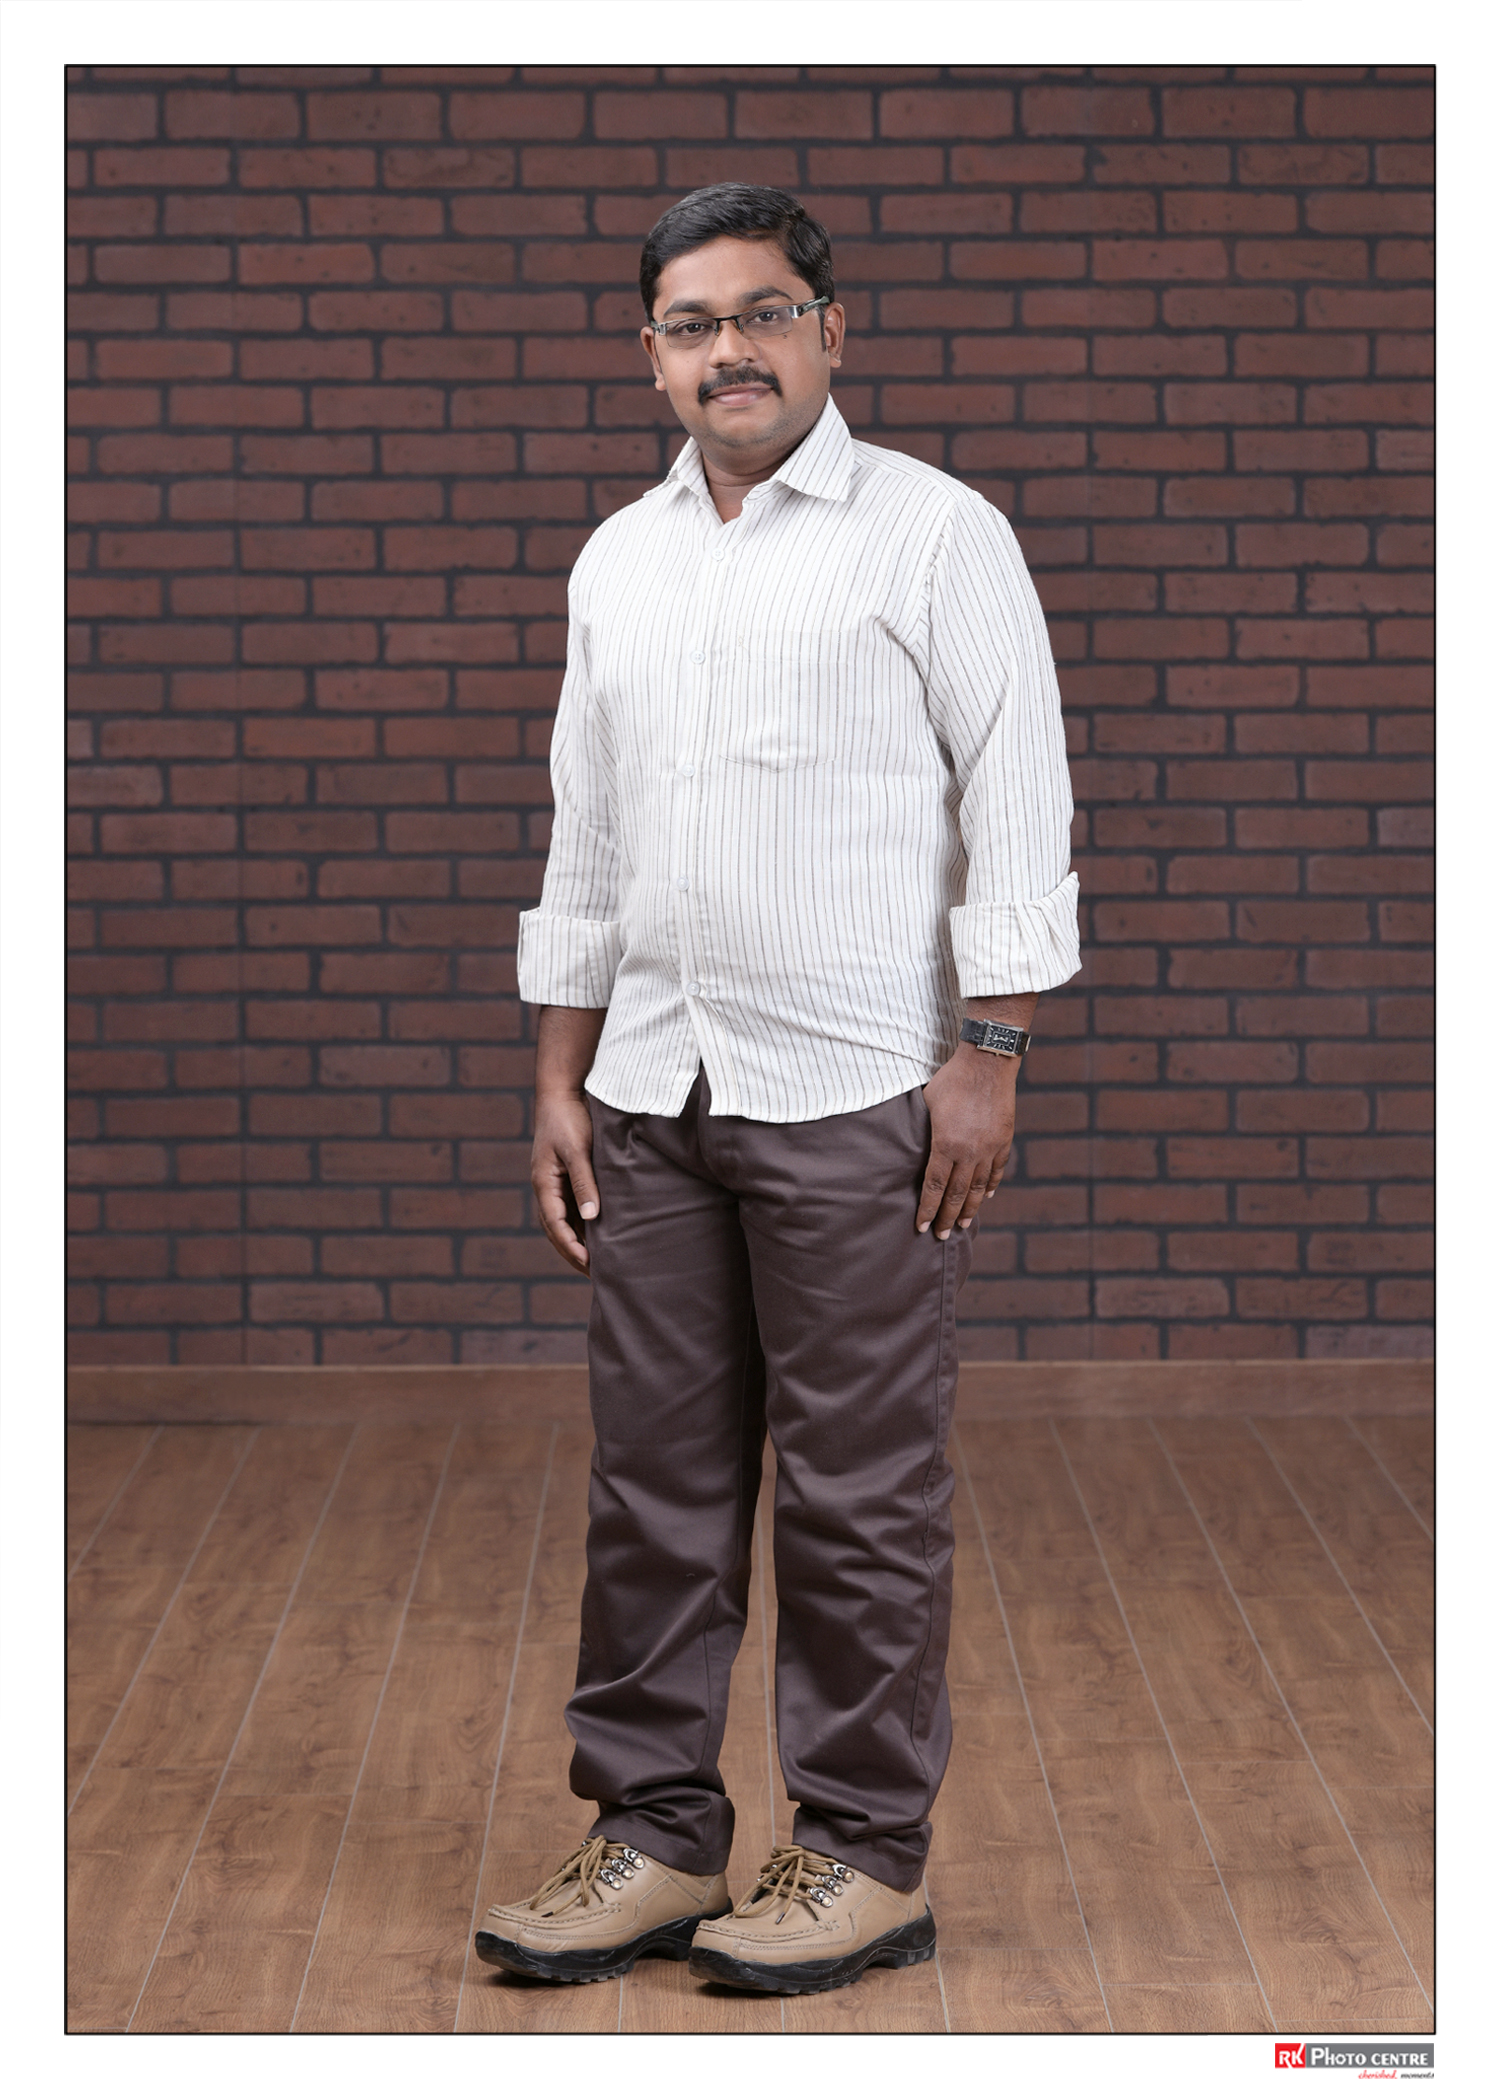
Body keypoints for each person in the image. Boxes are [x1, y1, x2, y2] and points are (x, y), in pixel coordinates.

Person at [474, 184, 1079, 1998]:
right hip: (653, 1088)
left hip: (859, 1089)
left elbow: (1020, 802)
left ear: (830, 328)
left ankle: (864, 1854)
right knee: (650, 1489)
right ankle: (658, 1835)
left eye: (761, 313)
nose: (727, 351)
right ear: (649, 352)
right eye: (691, 323)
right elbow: (587, 836)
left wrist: (993, 1053)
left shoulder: (937, 536)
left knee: (857, 1495)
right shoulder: (620, 561)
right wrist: (561, 1074)